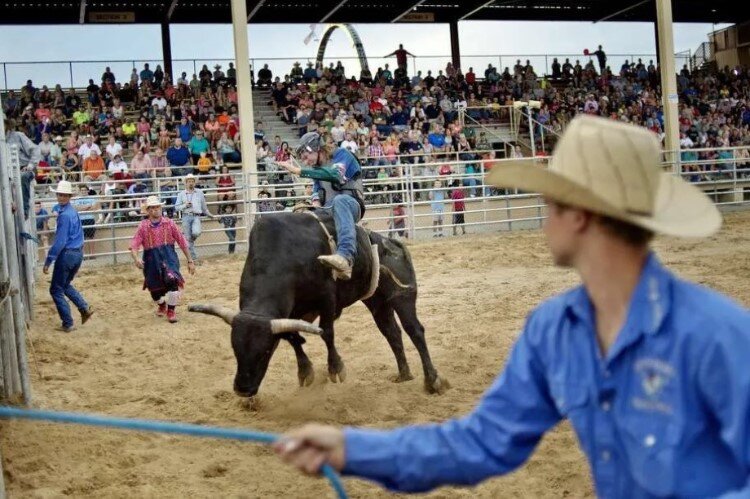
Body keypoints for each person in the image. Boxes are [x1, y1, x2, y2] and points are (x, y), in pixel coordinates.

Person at [273, 116, 750, 498]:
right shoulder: (554, 329)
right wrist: (353, 450)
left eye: (552, 201)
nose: (543, 213)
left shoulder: (718, 336)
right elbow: (479, 442)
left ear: (581, 216)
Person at [276, 132, 364, 280]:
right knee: (301, 213)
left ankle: (345, 256)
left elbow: (336, 174)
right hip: (328, 208)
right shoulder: (318, 169)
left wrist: (299, 171)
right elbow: (317, 190)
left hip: (351, 204)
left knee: (340, 201)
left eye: (305, 157)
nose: (305, 162)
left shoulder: (342, 154)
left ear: (316, 149)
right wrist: (314, 203)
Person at [129, 196, 195, 323]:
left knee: (172, 280)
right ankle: (161, 304)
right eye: (152, 208)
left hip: (169, 257)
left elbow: (182, 242)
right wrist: (136, 258)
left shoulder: (169, 223)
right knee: (154, 291)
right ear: (148, 211)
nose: (155, 210)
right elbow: (134, 245)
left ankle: (171, 310)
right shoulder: (143, 226)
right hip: (151, 260)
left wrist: (190, 260)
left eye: (157, 207)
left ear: (161, 208)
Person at [43, 180, 94, 332]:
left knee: (56, 289)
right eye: (60, 195)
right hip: (77, 253)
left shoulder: (64, 215)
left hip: (67, 254)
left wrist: (48, 260)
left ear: (68, 196)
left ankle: (68, 322)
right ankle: (84, 307)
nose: (61, 197)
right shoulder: (72, 212)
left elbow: (60, 242)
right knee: (64, 285)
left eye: (64, 195)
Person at [4, 118, 40, 219]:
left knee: (23, 176)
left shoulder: (18, 135)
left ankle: (24, 210)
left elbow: (35, 149)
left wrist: (30, 165)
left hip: (24, 168)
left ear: (6, 124)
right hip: (7, 172)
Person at [175, 174, 212, 264]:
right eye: (189, 182)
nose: (191, 183)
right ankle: (194, 259)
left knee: (196, 232)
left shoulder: (199, 192)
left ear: (194, 182)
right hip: (186, 216)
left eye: (192, 181)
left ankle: (191, 240)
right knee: (188, 238)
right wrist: (185, 205)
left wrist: (209, 214)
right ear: (186, 183)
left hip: (196, 216)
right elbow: (176, 207)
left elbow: (204, 206)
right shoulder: (181, 194)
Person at [71, 184, 99, 257]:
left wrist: (82, 208)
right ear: (80, 191)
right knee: (81, 238)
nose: (83, 192)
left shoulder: (92, 198)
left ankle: (92, 254)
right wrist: (87, 207)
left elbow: (94, 208)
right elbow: (76, 208)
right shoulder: (77, 199)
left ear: (88, 191)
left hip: (90, 218)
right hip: (80, 220)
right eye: (82, 190)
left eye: (85, 190)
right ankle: (83, 255)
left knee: (91, 237)